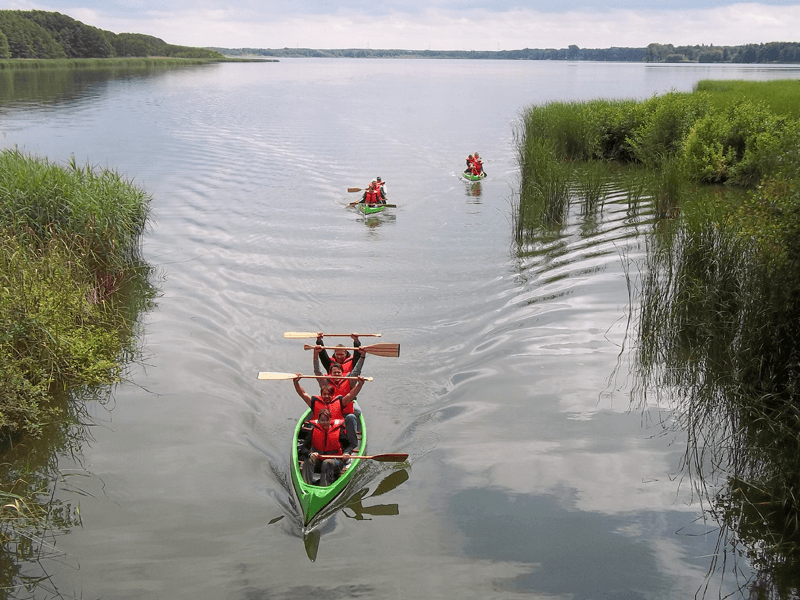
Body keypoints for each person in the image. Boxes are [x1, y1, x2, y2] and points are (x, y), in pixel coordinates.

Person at [293, 373, 364, 451]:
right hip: (318, 430)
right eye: (324, 394)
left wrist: (360, 383)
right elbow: (302, 394)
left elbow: (351, 394)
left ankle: (351, 446)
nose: (326, 396)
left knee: (351, 417)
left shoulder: (340, 402)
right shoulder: (314, 402)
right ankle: (308, 449)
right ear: (321, 395)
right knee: (309, 431)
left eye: (329, 394)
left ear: (333, 395)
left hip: (336, 432)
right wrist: (296, 383)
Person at [300, 408, 350, 486]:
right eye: (322, 420)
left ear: (330, 419)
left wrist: (347, 452)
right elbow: (303, 448)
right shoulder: (314, 431)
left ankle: (324, 486)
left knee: (326, 463)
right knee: (308, 459)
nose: (324, 423)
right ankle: (305, 484)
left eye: (326, 420)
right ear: (319, 421)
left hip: (335, 462)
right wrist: (310, 454)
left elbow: (349, 445)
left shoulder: (339, 431)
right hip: (319, 461)